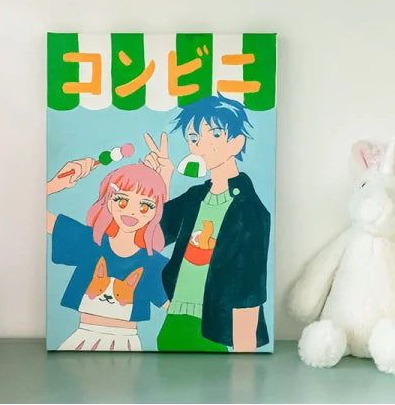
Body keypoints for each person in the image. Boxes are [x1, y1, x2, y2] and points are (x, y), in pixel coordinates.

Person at [144, 93, 271, 352]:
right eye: (194, 138)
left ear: (236, 143)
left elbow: (248, 296)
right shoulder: (195, 197)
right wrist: (163, 179)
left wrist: (244, 363)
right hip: (174, 321)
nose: (201, 144)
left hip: (215, 330)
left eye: (214, 134)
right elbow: (153, 236)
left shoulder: (250, 211)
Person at [47, 161, 169, 351]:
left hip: (126, 343)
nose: (132, 211)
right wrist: (54, 185)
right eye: (122, 200)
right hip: (82, 339)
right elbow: (34, 213)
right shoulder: (88, 242)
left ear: (156, 212)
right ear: (107, 201)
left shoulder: (154, 263)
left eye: (145, 206)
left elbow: (176, 305)